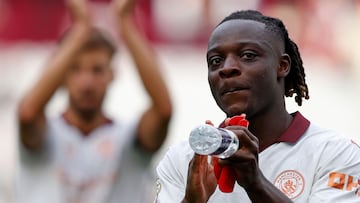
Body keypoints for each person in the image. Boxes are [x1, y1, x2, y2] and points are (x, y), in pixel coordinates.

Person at [155, 10, 360, 203]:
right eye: (215, 60)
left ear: (283, 66)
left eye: (248, 55)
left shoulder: (335, 152)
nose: (227, 69)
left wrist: (255, 184)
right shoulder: (182, 159)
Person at [16, 0, 172, 202]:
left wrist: (125, 22)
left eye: (97, 70)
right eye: (75, 69)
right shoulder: (45, 135)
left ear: (112, 75)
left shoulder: (129, 140)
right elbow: (27, 113)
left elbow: (163, 110)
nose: (87, 82)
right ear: (61, 75)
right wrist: (81, 28)